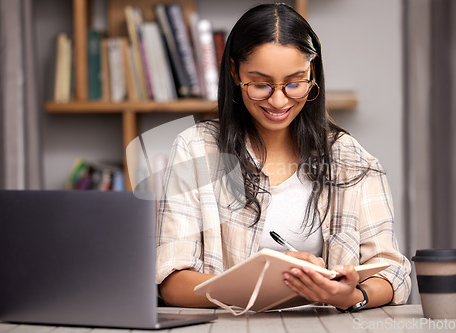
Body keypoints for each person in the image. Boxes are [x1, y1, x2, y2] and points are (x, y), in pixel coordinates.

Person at [156, 3, 411, 311]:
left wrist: (352, 296)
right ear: (235, 72)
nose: (278, 101)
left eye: (294, 83)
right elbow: (171, 282)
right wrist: (266, 282)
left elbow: (391, 271)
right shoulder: (194, 149)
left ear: (312, 71)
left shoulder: (350, 157)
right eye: (261, 85)